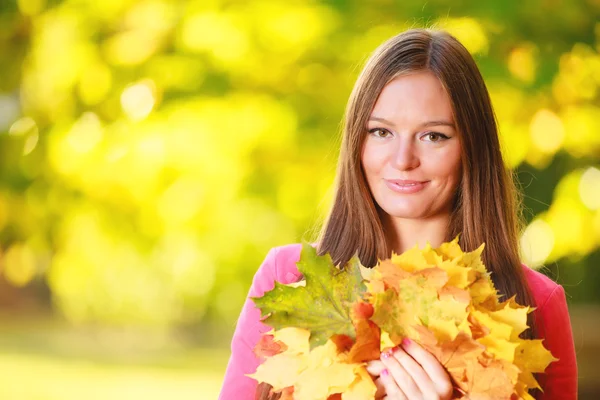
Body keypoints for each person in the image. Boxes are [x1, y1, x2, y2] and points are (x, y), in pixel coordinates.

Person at [218, 28, 578, 400]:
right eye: (381, 132)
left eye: (433, 136)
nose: (403, 160)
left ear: (473, 145)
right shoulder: (288, 276)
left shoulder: (534, 302)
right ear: (357, 141)